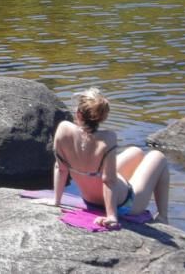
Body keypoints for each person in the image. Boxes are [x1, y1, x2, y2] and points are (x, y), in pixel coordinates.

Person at [52, 88, 170, 228]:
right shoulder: (107, 138)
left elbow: (61, 169)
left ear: (78, 113)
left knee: (135, 152)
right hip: (125, 204)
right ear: (102, 117)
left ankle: (129, 189)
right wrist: (112, 216)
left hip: (89, 199)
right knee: (158, 156)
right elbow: (108, 180)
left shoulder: (63, 129)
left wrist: (56, 202)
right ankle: (162, 217)